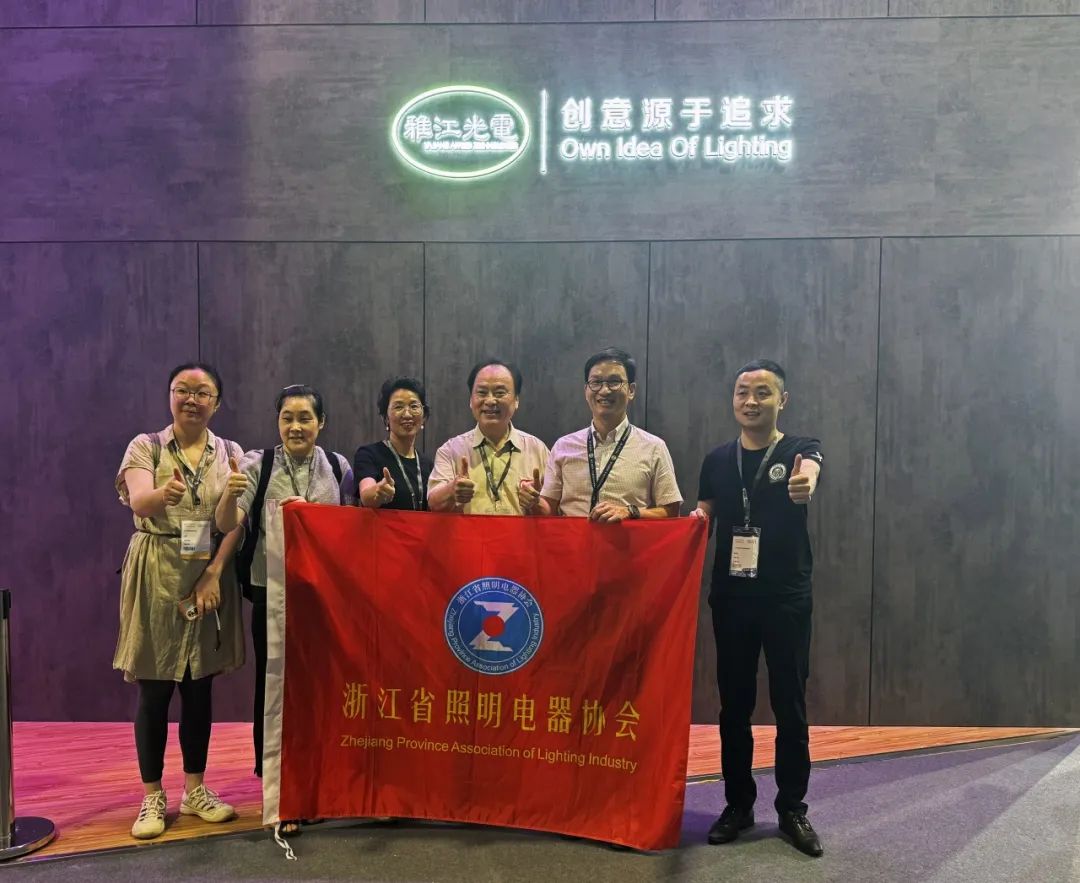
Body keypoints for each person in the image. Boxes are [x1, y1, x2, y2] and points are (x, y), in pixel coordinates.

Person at [692, 359, 824, 857]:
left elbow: (811, 471)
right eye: (742, 392)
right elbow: (706, 512)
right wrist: (693, 519)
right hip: (732, 598)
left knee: (790, 703)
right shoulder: (717, 460)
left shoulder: (799, 450)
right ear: (733, 399)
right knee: (734, 706)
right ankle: (738, 805)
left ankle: (792, 808)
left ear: (781, 400)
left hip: (786, 597)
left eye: (763, 393)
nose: (751, 401)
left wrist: (805, 482)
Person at [115, 362, 247, 840]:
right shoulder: (146, 445)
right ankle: (152, 795)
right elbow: (139, 502)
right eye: (183, 390)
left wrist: (214, 573)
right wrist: (163, 494)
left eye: (203, 392)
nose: (192, 399)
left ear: (217, 402)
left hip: (208, 570)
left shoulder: (230, 452)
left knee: (199, 688)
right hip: (158, 570)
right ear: (170, 395)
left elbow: (231, 524)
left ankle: (195, 789)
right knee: (154, 688)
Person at [214, 384, 348, 835]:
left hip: (321, 598)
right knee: (274, 690)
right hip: (270, 594)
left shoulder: (339, 468)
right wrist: (230, 494)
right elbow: (228, 523)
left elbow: (349, 530)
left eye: (305, 417)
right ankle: (278, 790)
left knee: (319, 691)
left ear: (321, 423)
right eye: (287, 418)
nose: (295, 426)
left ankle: (316, 784)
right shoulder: (258, 464)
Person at [540, 347, 681, 520]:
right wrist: (533, 502)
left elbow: (671, 511)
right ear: (586, 390)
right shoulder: (563, 446)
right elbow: (548, 510)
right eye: (596, 382)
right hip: (572, 538)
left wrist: (631, 512)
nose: (604, 390)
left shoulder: (654, 448)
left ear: (631, 390)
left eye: (614, 382)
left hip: (629, 538)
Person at [427, 358, 549, 515]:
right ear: (471, 400)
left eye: (500, 393)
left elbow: (552, 512)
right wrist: (452, 490)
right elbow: (433, 504)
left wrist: (535, 503)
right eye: (482, 393)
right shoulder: (451, 450)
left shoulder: (538, 449)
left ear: (516, 400)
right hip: (469, 532)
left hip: (520, 532)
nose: (490, 401)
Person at [353, 377, 434, 511]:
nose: (407, 414)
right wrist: (378, 492)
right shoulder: (368, 455)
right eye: (398, 407)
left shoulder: (428, 465)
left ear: (424, 416)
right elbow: (366, 494)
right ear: (386, 418)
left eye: (414, 406)